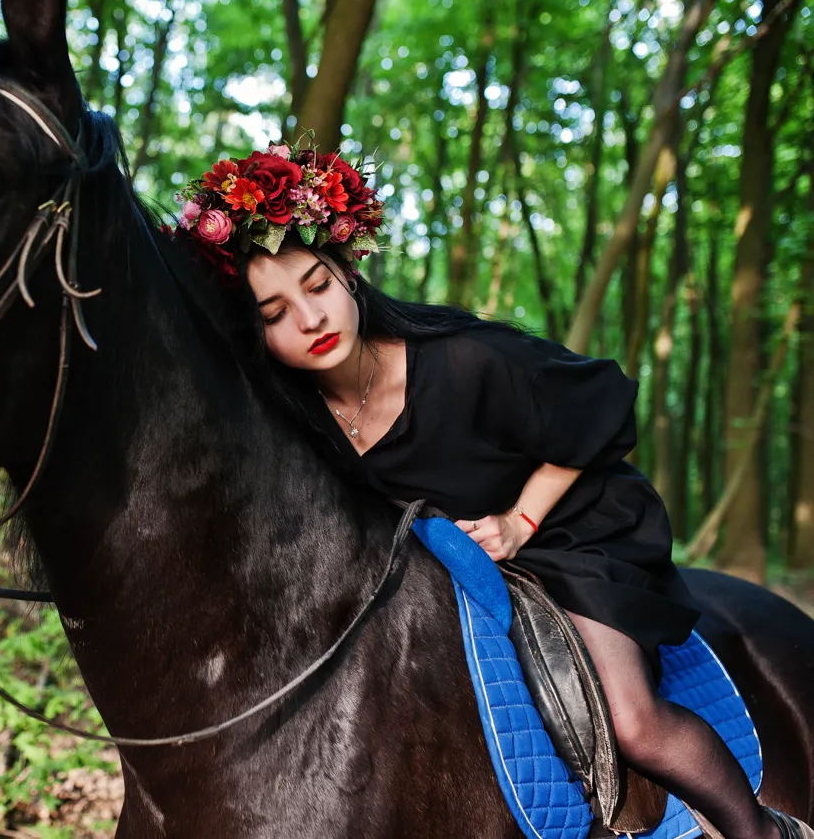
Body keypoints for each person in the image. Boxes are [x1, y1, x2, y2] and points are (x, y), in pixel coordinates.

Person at [173, 143, 813, 839]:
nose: (310, 319)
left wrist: (518, 521)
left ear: (349, 273)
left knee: (631, 720)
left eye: (317, 285)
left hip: (573, 532)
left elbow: (600, 407)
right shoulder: (301, 425)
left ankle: (760, 831)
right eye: (275, 313)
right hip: (465, 567)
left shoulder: (466, 360)